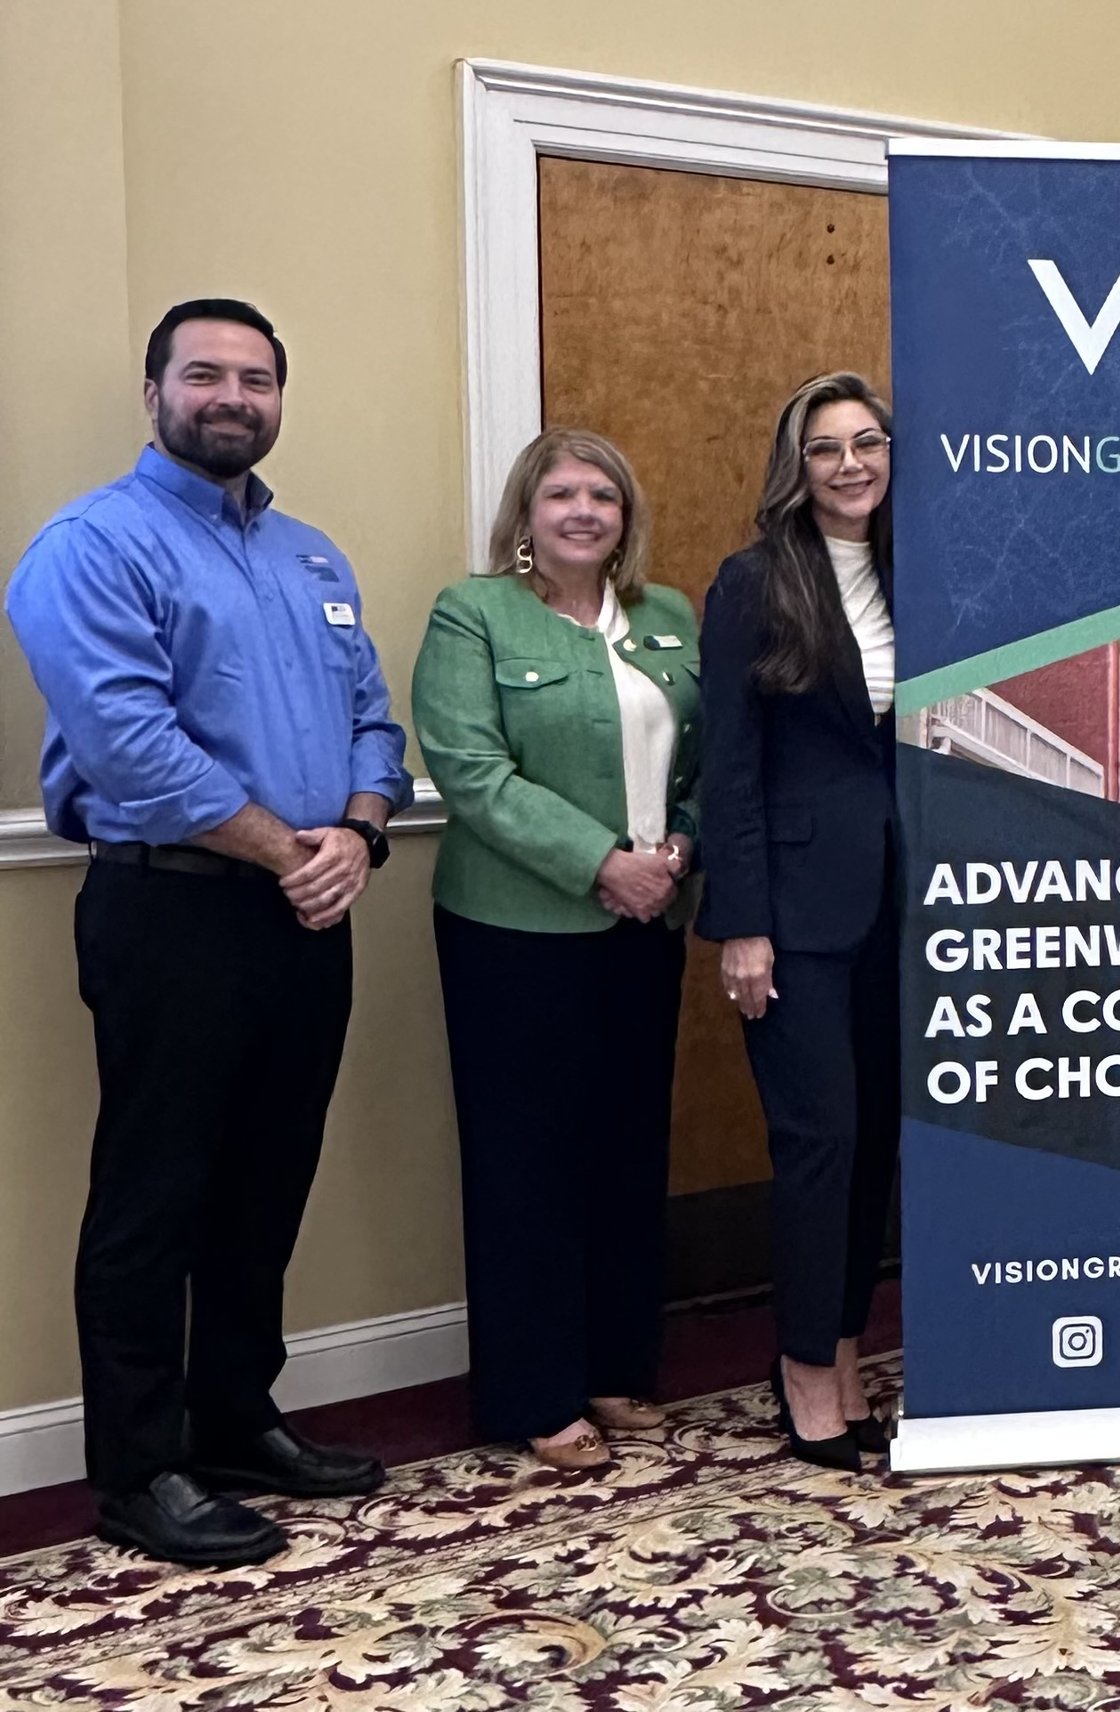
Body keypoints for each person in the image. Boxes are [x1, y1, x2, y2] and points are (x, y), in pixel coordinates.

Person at [4, 299, 411, 1566]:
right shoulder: (91, 545)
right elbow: (131, 743)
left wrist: (359, 831)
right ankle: (139, 1468)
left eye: (256, 378)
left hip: (308, 906)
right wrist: (293, 852)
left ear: (279, 397)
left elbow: (373, 718)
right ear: (155, 392)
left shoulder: (312, 557)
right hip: (170, 907)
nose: (232, 396)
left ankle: (236, 1418)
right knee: (156, 1190)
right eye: (205, 374)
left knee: (267, 1177)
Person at [411, 428, 700, 1472]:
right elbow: (472, 770)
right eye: (562, 494)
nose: (584, 511)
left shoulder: (669, 617)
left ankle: (615, 1365)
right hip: (514, 933)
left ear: (626, 517)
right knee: (525, 1161)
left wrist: (677, 850)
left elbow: (714, 759)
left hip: (646, 925)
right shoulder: (474, 612)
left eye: (604, 496)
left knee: (627, 1149)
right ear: (526, 515)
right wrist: (599, 863)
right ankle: (534, 1389)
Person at [699, 372, 902, 1469]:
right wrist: (742, 924)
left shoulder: (925, 571)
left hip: (911, 905)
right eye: (826, 448)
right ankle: (805, 1371)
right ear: (797, 467)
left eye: (867, 441)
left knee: (875, 1144)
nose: (850, 464)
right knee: (819, 1142)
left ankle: (849, 1350)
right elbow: (729, 765)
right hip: (796, 913)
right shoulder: (755, 582)